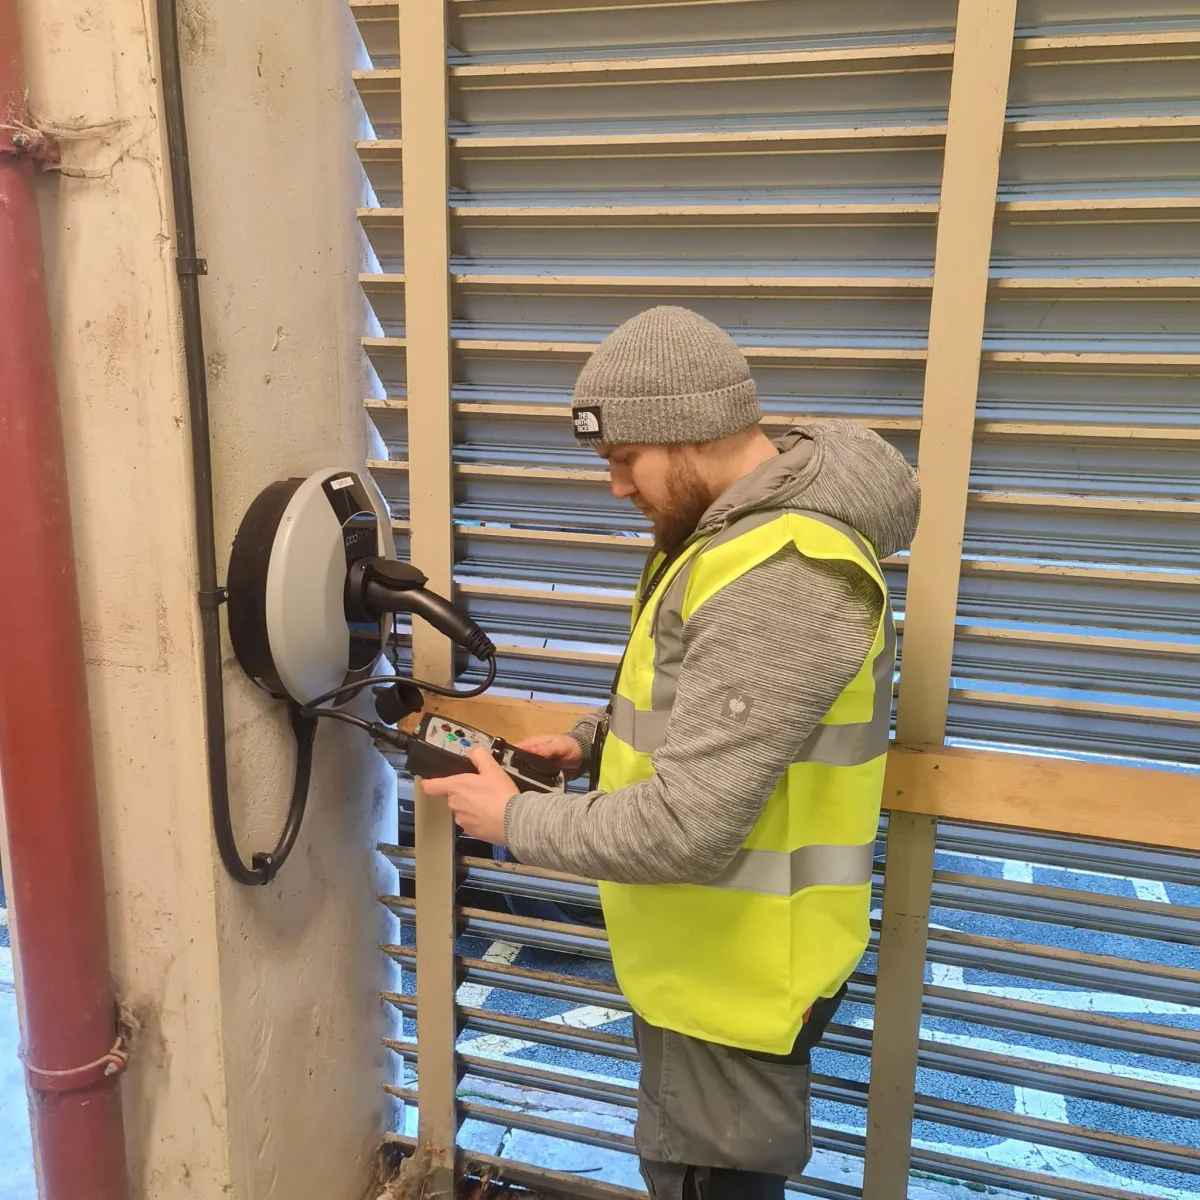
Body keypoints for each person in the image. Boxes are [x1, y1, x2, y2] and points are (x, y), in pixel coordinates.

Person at [422, 305, 921, 1200]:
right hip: (701, 961)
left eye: (623, 462)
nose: (615, 488)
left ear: (688, 435)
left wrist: (512, 817)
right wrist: (588, 746)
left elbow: (690, 826)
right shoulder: (729, 540)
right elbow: (702, 711)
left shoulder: (785, 571)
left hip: (737, 984)